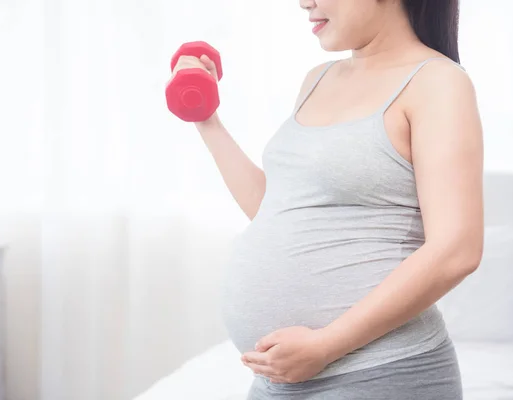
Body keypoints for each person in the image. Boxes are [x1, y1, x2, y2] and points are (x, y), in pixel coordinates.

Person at [170, 0, 483, 398]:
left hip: (379, 373)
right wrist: (206, 119)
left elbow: (457, 249)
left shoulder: (437, 81)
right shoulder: (318, 79)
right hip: (279, 380)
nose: (304, 2)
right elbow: (278, 210)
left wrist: (326, 345)